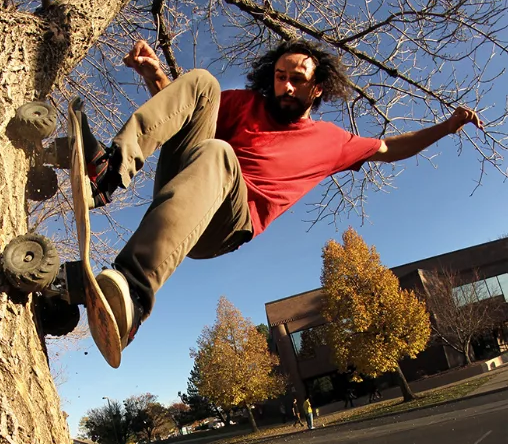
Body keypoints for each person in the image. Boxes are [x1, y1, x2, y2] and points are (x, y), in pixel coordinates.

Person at [85, 39, 482, 349]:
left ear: (317, 88)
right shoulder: (244, 104)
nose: (286, 86)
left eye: (297, 79)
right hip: (187, 191)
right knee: (203, 82)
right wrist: (153, 75)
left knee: (219, 154)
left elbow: (391, 149)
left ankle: (133, 296)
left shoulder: (333, 141)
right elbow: (182, 111)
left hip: (226, 223)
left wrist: (446, 127)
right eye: (279, 76)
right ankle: (108, 171)